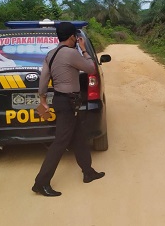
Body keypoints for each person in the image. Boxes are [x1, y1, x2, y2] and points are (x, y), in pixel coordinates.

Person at [32, 22, 105, 197]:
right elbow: (90, 68)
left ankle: (88, 172)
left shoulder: (50, 54)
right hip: (68, 102)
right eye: (75, 37)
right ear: (72, 37)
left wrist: (43, 100)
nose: (75, 40)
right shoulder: (71, 53)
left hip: (60, 100)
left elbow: (43, 79)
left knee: (79, 136)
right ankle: (40, 183)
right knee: (60, 143)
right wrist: (84, 50)